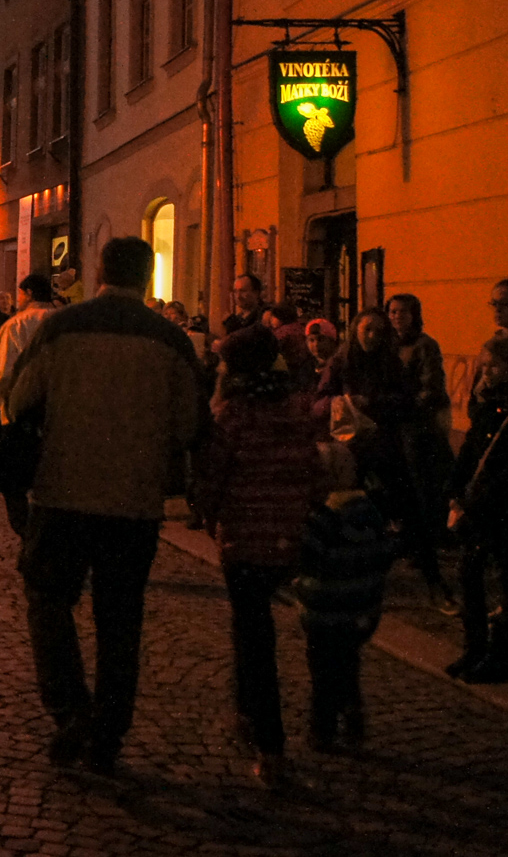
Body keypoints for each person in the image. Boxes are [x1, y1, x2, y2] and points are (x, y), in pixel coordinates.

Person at [7, 238, 202, 776]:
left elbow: (18, 399)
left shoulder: (62, 328)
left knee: (48, 599)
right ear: (146, 276)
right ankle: (109, 734)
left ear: (98, 272)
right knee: (120, 619)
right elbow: (189, 425)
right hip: (133, 501)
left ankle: (70, 708)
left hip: (63, 493)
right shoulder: (170, 339)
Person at [196, 326, 326, 786]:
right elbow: (314, 470)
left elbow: (212, 477)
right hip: (289, 532)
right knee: (254, 628)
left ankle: (270, 744)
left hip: (245, 537)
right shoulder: (295, 410)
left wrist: (208, 514)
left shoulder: (232, 415)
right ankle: (248, 711)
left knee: (254, 637)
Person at [316, 309, 442, 593]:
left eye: (379, 331)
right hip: (348, 447)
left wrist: (372, 402)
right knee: (340, 510)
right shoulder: (341, 362)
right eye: (367, 329)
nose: (372, 336)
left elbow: (406, 400)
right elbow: (319, 401)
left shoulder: (391, 362)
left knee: (409, 506)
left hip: (383, 444)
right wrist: (338, 403)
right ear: (355, 330)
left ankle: (433, 579)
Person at [446, 335, 508, 683]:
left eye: (494, 366)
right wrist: (455, 487)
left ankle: (501, 655)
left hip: (507, 505)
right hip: (478, 504)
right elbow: (472, 447)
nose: (487, 373)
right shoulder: (487, 405)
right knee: (468, 574)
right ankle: (475, 647)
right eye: (483, 366)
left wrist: (482, 495)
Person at [292, 457, 395, 756]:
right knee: (347, 659)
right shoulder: (370, 512)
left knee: (323, 668)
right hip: (361, 608)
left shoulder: (322, 517)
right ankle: (351, 709)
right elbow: (385, 552)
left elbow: (307, 556)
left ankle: (322, 728)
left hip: (325, 608)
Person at [387, 292, 457, 612]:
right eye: (393, 311)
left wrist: (408, 405)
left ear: (415, 315)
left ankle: (425, 546)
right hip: (392, 424)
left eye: (403, 311)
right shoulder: (388, 344)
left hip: (415, 426)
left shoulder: (424, 346)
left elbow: (431, 386)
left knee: (420, 486)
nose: (397, 317)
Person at [0, 273, 56, 424]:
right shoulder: (64, 320)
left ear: (29, 294)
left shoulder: (16, 325)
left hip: (24, 404)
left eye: (20, 294)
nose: (18, 299)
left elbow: (4, 368)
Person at [222, 273, 267, 338]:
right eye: (235, 291)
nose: (238, 296)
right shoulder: (239, 318)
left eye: (243, 291)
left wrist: (234, 325)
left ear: (256, 293)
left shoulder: (264, 315)